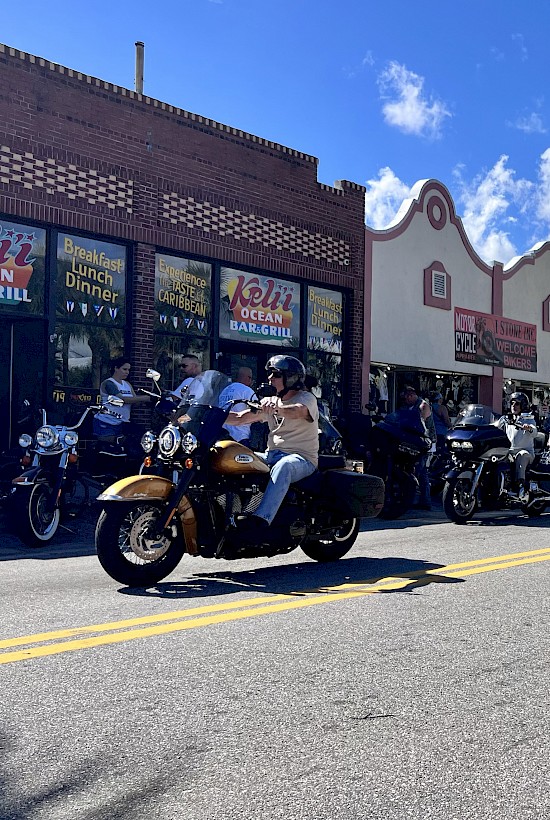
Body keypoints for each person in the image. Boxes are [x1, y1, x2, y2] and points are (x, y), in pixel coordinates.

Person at [226, 355, 319, 533]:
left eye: (275, 375)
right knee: (236, 457)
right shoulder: (271, 402)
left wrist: (275, 408)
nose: (269, 379)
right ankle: (232, 512)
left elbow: (297, 412)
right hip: (271, 455)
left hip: (302, 459)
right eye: (269, 374)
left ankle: (261, 520)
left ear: (290, 378)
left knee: (284, 466)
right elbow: (240, 418)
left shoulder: (306, 398)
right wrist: (205, 415)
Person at [93, 357, 151, 441]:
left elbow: (134, 401)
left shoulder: (127, 384)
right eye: (124, 369)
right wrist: (144, 398)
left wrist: (146, 399)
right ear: (116, 368)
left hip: (123, 422)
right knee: (109, 447)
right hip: (107, 422)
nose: (127, 372)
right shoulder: (109, 383)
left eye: (128, 370)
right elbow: (123, 399)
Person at [398, 385, 433, 511]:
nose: (406, 400)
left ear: (412, 395)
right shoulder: (409, 407)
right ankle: (424, 500)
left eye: (407, 397)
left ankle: (417, 499)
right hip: (414, 441)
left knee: (419, 470)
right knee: (421, 473)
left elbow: (422, 422)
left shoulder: (423, 405)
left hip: (425, 441)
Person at [496, 392, 537, 500]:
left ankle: (521, 487)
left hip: (526, 452)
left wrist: (529, 428)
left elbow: (535, 432)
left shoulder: (528, 418)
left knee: (521, 456)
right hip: (508, 452)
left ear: (523, 405)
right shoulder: (505, 419)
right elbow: (494, 427)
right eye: (512, 403)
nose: (514, 406)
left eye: (517, 403)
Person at [218, 367, 257, 448]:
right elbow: (257, 411)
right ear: (249, 378)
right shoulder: (247, 391)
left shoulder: (225, 390)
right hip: (241, 437)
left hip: (222, 435)